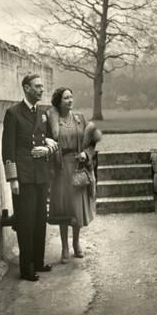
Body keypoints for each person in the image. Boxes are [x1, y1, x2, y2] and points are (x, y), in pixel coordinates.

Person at [1, 74, 58, 281]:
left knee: (40, 219)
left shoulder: (43, 113)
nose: (42, 90)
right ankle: (26, 269)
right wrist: (13, 179)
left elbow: (51, 139)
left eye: (42, 86)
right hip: (23, 177)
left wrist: (47, 149)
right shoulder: (13, 113)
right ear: (26, 88)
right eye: (37, 87)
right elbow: (8, 149)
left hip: (41, 174)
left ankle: (38, 261)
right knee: (26, 222)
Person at [47, 87, 101, 263]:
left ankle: (76, 243)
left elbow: (92, 142)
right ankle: (64, 246)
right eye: (66, 98)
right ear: (58, 101)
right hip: (60, 169)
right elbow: (46, 142)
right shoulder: (52, 121)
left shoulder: (80, 119)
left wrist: (86, 153)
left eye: (71, 97)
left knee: (76, 208)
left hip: (78, 167)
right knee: (64, 208)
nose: (70, 101)